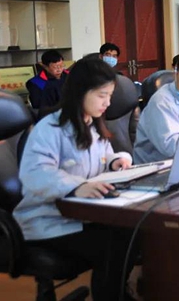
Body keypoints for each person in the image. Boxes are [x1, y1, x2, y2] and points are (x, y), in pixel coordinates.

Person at [13, 58, 135, 301]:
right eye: (102, 95)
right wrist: (78, 187)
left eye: (110, 96)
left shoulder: (93, 125)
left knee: (132, 233)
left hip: (84, 214)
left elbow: (103, 157)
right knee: (111, 244)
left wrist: (115, 161)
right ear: (81, 92)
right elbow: (35, 174)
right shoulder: (50, 128)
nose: (108, 103)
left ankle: (118, 293)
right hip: (47, 220)